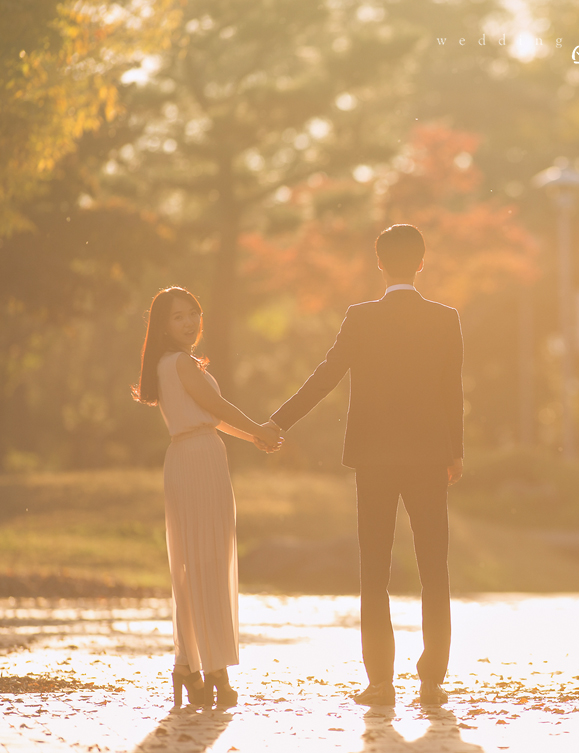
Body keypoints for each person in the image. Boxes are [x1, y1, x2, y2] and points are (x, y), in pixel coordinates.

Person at [267, 224, 464, 707]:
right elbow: (452, 390)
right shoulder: (445, 319)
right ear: (422, 262)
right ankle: (432, 680)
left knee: (373, 569)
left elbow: (325, 375)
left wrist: (278, 422)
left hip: (374, 459)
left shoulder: (361, 318)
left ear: (379, 264)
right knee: (434, 568)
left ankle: (380, 683)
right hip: (427, 457)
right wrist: (455, 451)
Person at [133, 287, 283, 708]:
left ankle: (190, 665)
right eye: (178, 317)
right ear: (163, 325)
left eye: (193, 314)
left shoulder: (169, 364)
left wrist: (254, 436)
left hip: (192, 455)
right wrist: (260, 428)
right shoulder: (180, 363)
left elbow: (211, 416)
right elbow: (215, 405)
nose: (189, 322)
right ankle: (211, 666)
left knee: (195, 563)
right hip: (197, 460)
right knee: (206, 562)